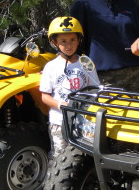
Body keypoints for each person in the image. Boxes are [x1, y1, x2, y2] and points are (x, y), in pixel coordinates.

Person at [39, 16, 100, 159]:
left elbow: (95, 88)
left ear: (79, 40)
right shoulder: (51, 67)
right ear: (54, 43)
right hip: (60, 121)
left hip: (83, 121)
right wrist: (62, 105)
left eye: (73, 39)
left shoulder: (86, 63)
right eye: (63, 41)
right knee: (59, 157)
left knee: (84, 155)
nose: (69, 45)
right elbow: (45, 96)